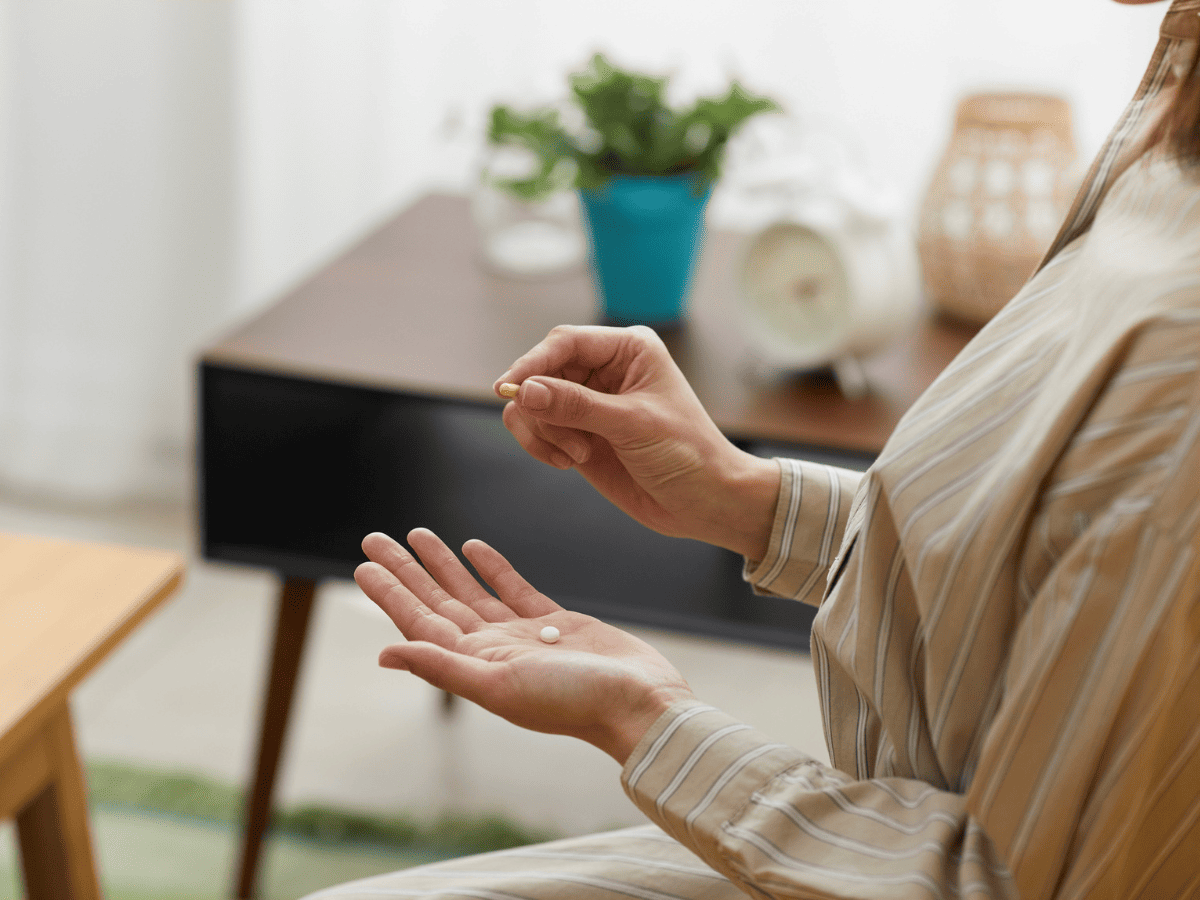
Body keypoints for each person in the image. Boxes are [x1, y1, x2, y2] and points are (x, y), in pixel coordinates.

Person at [308, 1, 1200, 897]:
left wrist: (643, 719)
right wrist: (745, 497)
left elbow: (1006, 883)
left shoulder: (1182, 346)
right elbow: (1057, 555)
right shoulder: (1174, 119)